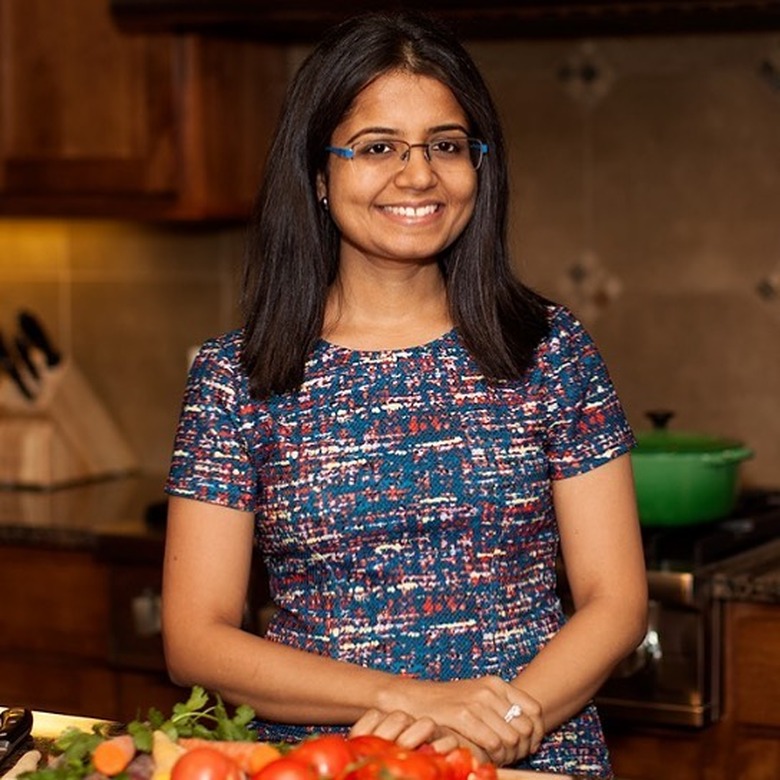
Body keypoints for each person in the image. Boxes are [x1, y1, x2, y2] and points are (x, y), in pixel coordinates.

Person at [162, 10, 647, 779]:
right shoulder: (238, 377)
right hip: (327, 765)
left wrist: (494, 726)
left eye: (446, 146)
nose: (418, 174)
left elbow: (615, 600)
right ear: (319, 174)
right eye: (378, 147)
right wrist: (416, 700)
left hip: (533, 756)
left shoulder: (548, 349)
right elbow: (196, 637)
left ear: (478, 168)